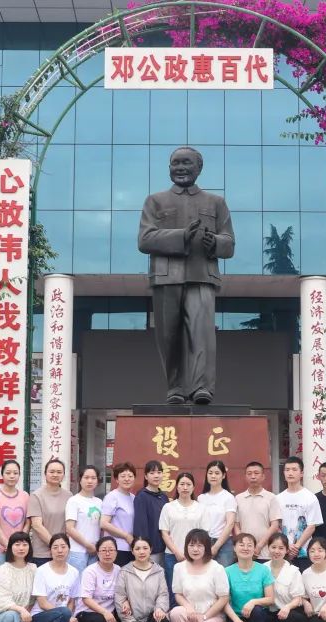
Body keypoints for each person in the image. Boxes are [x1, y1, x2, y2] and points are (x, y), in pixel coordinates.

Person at [138, 146, 235, 405]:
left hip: (201, 275)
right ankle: (176, 387)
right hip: (165, 276)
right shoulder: (155, 201)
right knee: (168, 336)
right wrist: (182, 236)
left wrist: (214, 242)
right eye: (175, 163)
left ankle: (202, 387)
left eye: (186, 163)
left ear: (199, 168)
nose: (180, 168)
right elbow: (144, 239)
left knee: (202, 333)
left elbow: (229, 244)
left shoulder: (216, 202)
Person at [168, 529, 230, 622]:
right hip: (190, 613)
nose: (195, 549)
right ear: (186, 547)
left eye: (199, 545)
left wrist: (204, 616)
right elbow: (178, 594)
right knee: (176, 612)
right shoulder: (179, 567)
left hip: (211, 615)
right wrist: (189, 609)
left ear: (206, 547)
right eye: (191, 545)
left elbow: (224, 598)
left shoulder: (217, 568)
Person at [114, 536, 172, 622]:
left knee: (162, 620)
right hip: (135, 621)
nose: (141, 552)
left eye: (145, 548)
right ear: (132, 551)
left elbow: (163, 594)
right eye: (137, 548)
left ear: (150, 550)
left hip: (152, 619)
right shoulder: (125, 571)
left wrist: (160, 609)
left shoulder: (159, 571)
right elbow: (120, 598)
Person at [30, 533, 84, 622]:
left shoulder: (74, 572)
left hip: (62, 618)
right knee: (64, 612)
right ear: (50, 550)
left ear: (69, 549)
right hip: (40, 618)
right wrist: (65, 615)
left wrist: (68, 617)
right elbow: (42, 603)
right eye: (55, 547)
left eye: (63, 547)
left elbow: (71, 601)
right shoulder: (42, 571)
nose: (60, 550)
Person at [223, 533, 273, 622]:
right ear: (234, 548)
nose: (245, 548)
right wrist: (236, 620)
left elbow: (270, 599)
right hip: (237, 615)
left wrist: (253, 601)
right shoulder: (227, 571)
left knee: (257, 610)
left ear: (254, 549)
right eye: (241, 545)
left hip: (259, 614)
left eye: (249, 545)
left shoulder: (263, 570)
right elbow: (224, 601)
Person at [77, 537, 130, 622]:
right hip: (86, 614)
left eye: (111, 550)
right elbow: (86, 599)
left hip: (107, 617)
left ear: (116, 552)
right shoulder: (90, 571)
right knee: (99, 619)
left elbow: (124, 592)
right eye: (104, 550)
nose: (107, 553)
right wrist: (105, 612)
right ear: (98, 552)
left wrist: (126, 601)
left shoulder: (119, 570)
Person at [0, 459, 30, 609]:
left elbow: (28, 522)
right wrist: (9, 545)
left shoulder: (25, 496)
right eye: (8, 472)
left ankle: (17, 616)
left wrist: (19, 544)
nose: (12, 476)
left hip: (20, 550)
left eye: (15, 473)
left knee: (18, 587)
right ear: (2, 474)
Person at [158, 472, 207, 606]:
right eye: (182, 484)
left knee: (193, 590)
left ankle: (193, 616)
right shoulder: (168, 507)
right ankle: (175, 617)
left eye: (188, 484)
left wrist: (195, 553)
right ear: (177, 487)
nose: (185, 487)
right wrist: (177, 552)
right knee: (174, 590)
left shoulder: (201, 508)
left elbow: (204, 534)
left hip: (195, 556)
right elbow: (164, 533)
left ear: (193, 487)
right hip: (172, 556)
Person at [261, 532, 308, 622]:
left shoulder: (293, 571)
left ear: (287, 550)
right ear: (268, 548)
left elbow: (298, 598)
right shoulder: (263, 569)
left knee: (288, 615)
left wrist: (287, 607)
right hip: (273, 613)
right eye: (273, 547)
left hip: (292, 612)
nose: (277, 551)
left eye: (281, 548)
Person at [276, 457, 323, 571]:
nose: (290, 473)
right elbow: (276, 525)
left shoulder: (310, 497)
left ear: (301, 473)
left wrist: (296, 547)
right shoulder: (278, 498)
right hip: (282, 552)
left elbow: (311, 526)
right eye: (287, 470)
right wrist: (287, 545)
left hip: (304, 553)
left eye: (294, 469)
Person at [234, 461, 281, 560]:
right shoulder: (238, 498)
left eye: (256, 473)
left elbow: (275, 525)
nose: (253, 476)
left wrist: (259, 546)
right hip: (244, 552)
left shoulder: (271, 498)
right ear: (245, 477)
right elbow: (236, 525)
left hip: (265, 552)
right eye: (249, 473)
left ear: (263, 476)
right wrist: (243, 545)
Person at [28, 458, 70, 567]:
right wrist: (55, 546)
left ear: (64, 475)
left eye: (59, 472)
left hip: (63, 552)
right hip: (42, 554)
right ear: (45, 474)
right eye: (52, 472)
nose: (55, 475)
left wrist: (61, 548)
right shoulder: (36, 496)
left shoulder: (69, 496)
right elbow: (37, 525)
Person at [197, 460, 237, 567]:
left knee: (223, 573)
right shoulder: (201, 498)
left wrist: (216, 547)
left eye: (217, 473)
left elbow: (230, 524)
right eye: (210, 473)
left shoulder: (228, 497)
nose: (213, 476)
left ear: (223, 475)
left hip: (224, 543)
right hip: (204, 541)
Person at [65, 465, 103, 574]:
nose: (90, 481)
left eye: (93, 478)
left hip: (95, 551)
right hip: (77, 552)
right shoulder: (74, 501)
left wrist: (96, 547)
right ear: (80, 480)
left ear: (97, 481)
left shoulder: (99, 502)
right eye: (86, 477)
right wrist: (87, 545)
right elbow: (70, 528)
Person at [133, 460, 170, 570]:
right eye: (152, 473)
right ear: (146, 476)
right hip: (151, 550)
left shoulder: (164, 497)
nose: (156, 476)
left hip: (166, 548)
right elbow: (140, 526)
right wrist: (144, 549)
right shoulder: (142, 496)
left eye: (159, 472)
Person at [101, 462, 137, 566]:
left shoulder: (133, 498)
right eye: (123, 476)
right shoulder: (112, 497)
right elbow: (104, 523)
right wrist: (126, 536)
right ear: (117, 479)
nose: (127, 479)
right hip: (116, 548)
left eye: (130, 476)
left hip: (131, 548)